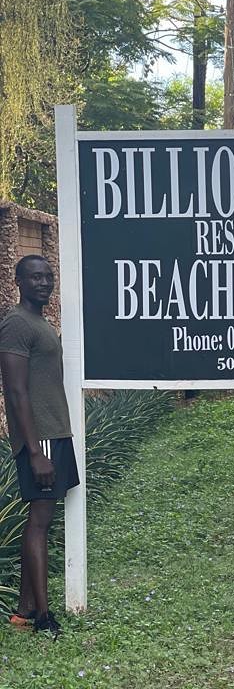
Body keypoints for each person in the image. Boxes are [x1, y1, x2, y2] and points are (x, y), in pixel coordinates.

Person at [0, 255, 80, 637]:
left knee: (41, 519)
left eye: (48, 276)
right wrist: (34, 451)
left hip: (55, 431)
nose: (44, 282)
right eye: (35, 277)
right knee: (40, 522)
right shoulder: (16, 323)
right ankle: (44, 619)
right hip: (40, 436)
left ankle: (24, 611)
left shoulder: (39, 322)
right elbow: (16, 392)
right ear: (18, 281)